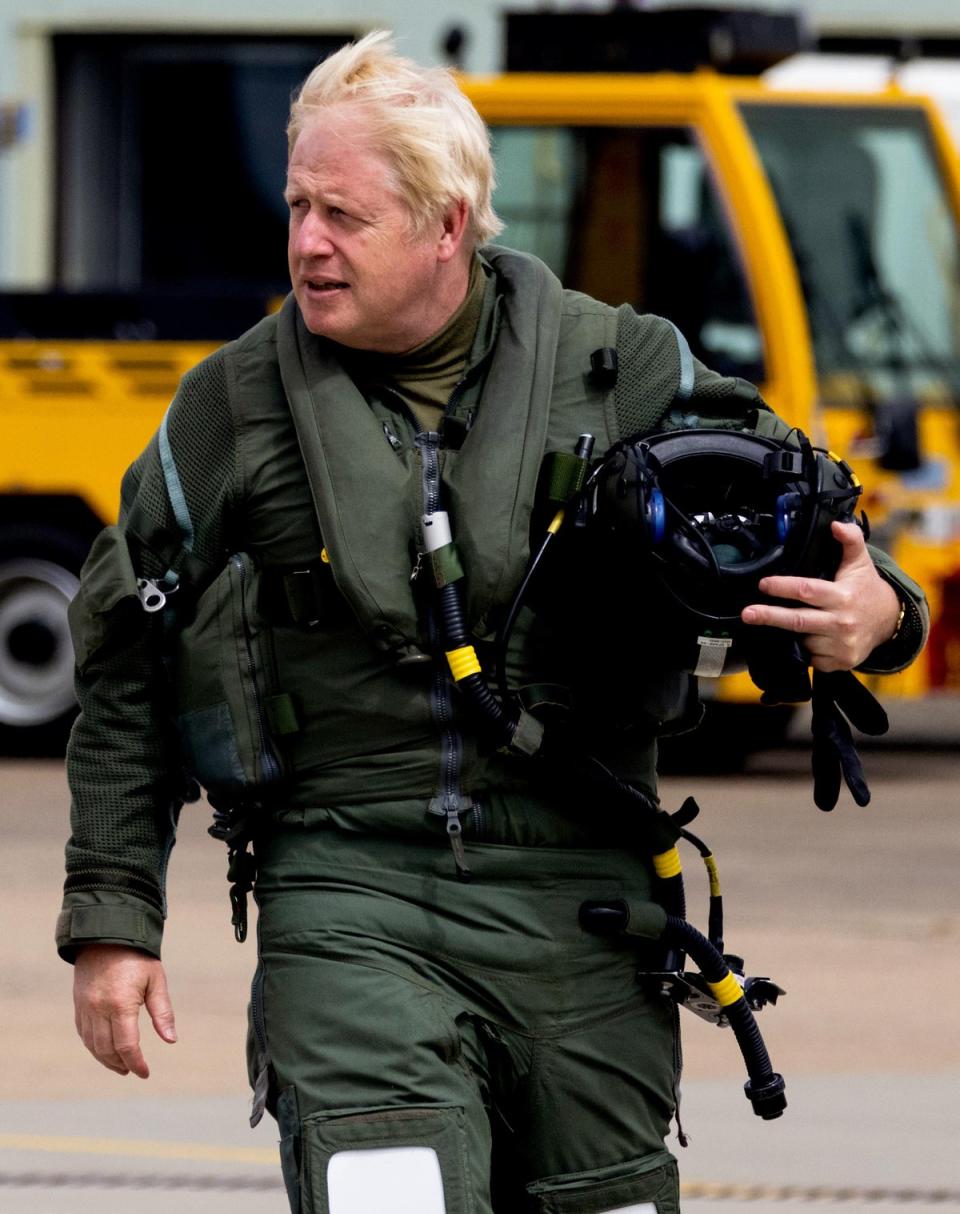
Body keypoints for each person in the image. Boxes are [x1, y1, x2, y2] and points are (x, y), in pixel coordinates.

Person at [58, 31, 928, 1214]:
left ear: (448, 226)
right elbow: (124, 649)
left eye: (345, 216)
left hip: (585, 887)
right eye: (299, 206)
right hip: (347, 882)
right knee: (390, 1192)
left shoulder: (625, 368)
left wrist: (876, 612)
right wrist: (115, 915)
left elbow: (828, 530)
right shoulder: (233, 408)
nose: (307, 242)